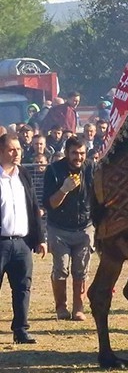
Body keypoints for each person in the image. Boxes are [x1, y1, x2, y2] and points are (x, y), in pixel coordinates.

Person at [0, 133, 47, 344]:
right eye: (11, 149)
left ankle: (21, 330)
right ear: (1, 152)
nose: (17, 153)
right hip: (1, 243)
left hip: (22, 244)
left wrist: (40, 238)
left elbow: (34, 207)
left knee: (22, 288)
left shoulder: (24, 175)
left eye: (18, 149)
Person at [42, 136, 94, 321]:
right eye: (74, 153)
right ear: (66, 153)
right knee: (61, 269)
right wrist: (64, 189)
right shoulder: (54, 171)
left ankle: (79, 308)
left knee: (81, 270)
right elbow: (50, 204)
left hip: (84, 228)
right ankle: (61, 308)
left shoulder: (91, 168)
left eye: (81, 153)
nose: (78, 157)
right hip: (59, 228)